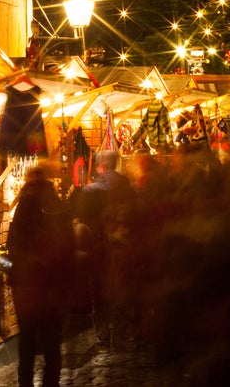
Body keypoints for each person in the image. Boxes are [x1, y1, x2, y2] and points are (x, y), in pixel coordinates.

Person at [7, 163, 76, 387]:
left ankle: (25, 382)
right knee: (51, 340)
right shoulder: (57, 205)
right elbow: (68, 246)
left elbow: (13, 245)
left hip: (27, 284)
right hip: (51, 283)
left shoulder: (24, 206)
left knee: (27, 339)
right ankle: (50, 382)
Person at [72, 149, 136, 348]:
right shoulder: (127, 187)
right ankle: (121, 332)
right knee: (122, 289)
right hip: (122, 246)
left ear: (100, 165)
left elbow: (80, 216)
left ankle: (102, 334)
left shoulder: (90, 191)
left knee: (99, 291)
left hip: (97, 247)